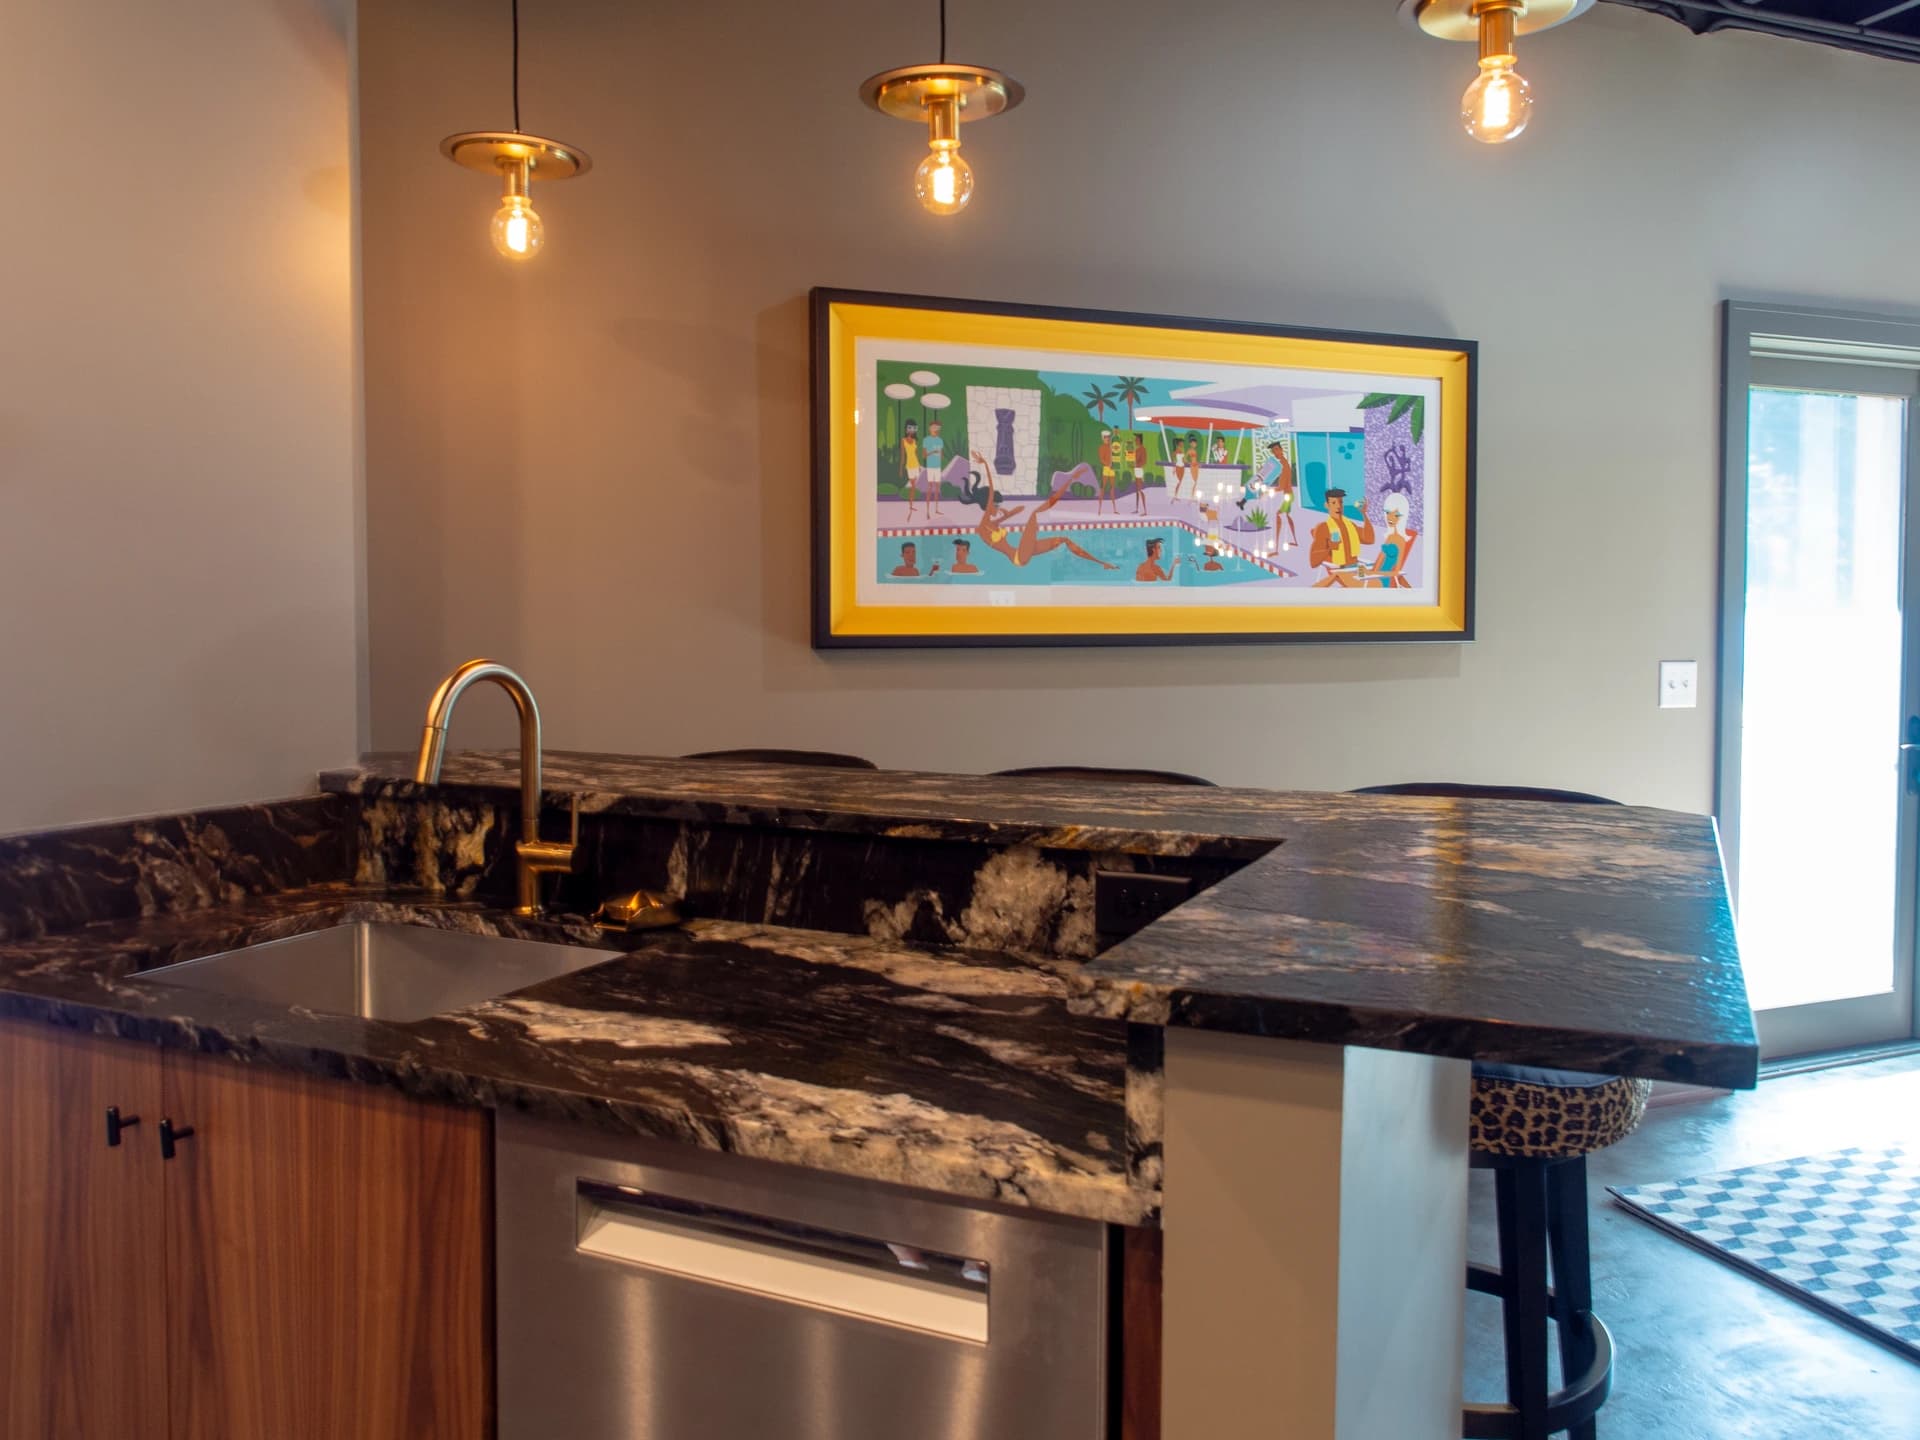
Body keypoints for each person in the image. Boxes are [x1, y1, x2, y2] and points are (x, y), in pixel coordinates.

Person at [971, 450, 1117, 572]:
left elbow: (1004, 517)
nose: (997, 508)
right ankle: (1069, 481)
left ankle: (1101, 563)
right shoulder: (983, 526)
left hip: (1022, 554)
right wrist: (985, 464)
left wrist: (1011, 513)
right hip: (1018, 556)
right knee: (1034, 514)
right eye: (995, 505)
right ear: (988, 505)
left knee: (1063, 539)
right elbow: (990, 493)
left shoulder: (992, 524)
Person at [1308, 489, 1377, 587]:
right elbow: (1313, 562)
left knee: (1377, 584)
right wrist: (1329, 548)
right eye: (1334, 503)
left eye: (1340, 502)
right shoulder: (1323, 528)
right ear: (1327, 505)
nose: (1338, 506)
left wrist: (1364, 514)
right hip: (1340, 570)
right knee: (1365, 587)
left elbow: (1370, 539)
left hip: (1356, 568)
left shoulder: (1350, 525)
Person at [1363, 492, 1417, 588]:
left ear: (1402, 517)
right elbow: (1378, 563)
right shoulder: (1389, 537)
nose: (1390, 518)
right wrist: (1370, 573)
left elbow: (1396, 572)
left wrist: (1375, 574)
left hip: (1383, 581)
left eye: (1396, 515)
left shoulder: (1401, 540)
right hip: (1375, 577)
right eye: (1388, 513)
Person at [1258, 439, 1300, 551]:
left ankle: (1276, 549)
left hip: (1288, 496)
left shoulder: (1284, 465)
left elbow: (1281, 486)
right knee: (1287, 516)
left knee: (1278, 515)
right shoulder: (1281, 464)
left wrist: (1266, 492)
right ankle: (1295, 541)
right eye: (1273, 451)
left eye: (1276, 449)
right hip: (1289, 495)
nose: (1275, 452)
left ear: (1281, 449)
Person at [922, 419, 946, 516]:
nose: (936, 429)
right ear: (930, 428)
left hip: (938, 467)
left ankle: (936, 509)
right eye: (934, 427)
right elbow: (923, 455)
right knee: (929, 488)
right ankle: (927, 511)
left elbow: (941, 455)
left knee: (937, 489)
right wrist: (932, 452)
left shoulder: (940, 440)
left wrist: (940, 454)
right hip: (930, 467)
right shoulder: (926, 440)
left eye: (937, 428)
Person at [900, 420, 921, 519]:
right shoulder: (903, 440)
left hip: (916, 465)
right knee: (912, 485)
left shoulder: (915, 441)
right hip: (909, 465)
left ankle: (911, 505)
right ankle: (910, 506)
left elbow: (916, 454)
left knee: (913, 485)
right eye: (909, 428)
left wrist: (919, 466)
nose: (911, 431)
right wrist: (901, 468)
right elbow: (903, 456)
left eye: (913, 429)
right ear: (906, 429)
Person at [1097, 429, 1118, 515]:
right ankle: (1099, 509)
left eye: (1108, 437)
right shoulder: (1101, 447)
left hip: (1112, 469)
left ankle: (1114, 509)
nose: (1107, 439)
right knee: (1103, 488)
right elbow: (1101, 459)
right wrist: (1107, 464)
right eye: (1105, 438)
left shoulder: (1111, 447)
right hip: (1106, 469)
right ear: (1103, 438)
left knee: (1112, 488)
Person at [1127, 433, 1149, 514]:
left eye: (1136, 439)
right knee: (1137, 490)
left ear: (1139, 440)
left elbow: (1144, 461)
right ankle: (1137, 509)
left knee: (1140, 490)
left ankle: (1145, 510)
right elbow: (1134, 460)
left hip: (1139, 471)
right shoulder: (1137, 450)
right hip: (1136, 470)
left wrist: (1136, 465)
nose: (1135, 441)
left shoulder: (1143, 449)